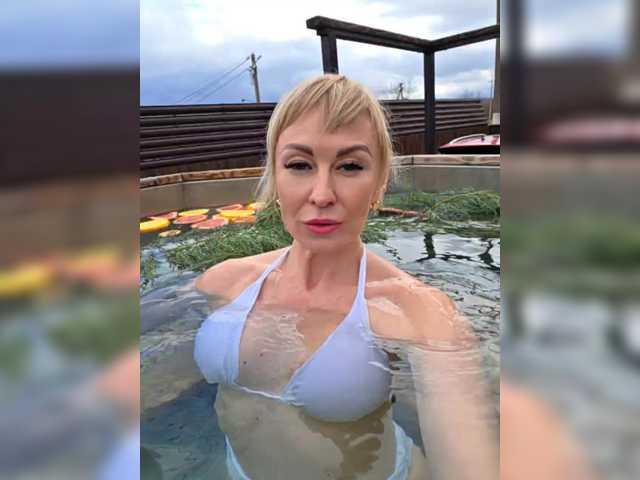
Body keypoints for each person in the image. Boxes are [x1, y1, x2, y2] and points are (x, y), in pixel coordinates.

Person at [194, 74, 497, 479]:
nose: (322, 194)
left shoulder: (421, 314)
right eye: (299, 165)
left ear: (379, 182)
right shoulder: (222, 282)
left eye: (350, 166)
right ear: (275, 176)